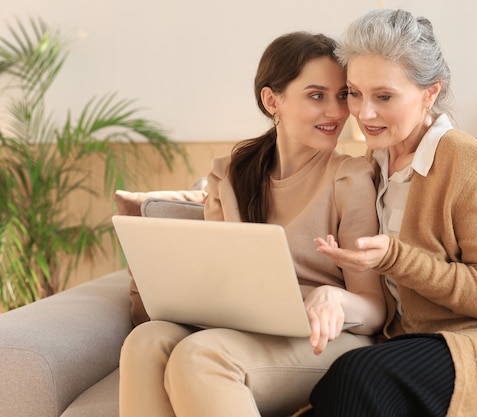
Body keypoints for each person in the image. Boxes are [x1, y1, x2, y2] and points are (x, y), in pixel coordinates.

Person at [302, 9, 477, 417]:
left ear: (430, 93)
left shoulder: (464, 159)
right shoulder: (372, 164)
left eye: (384, 97)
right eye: (354, 92)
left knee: (356, 375)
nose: (363, 113)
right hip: (413, 342)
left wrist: (395, 257)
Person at [118, 31, 386, 417]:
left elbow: (375, 309)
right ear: (272, 100)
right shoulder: (228, 174)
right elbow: (214, 277)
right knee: (146, 340)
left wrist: (335, 298)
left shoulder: (349, 177)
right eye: (316, 96)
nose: (336, 112)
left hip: (325, 340)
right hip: (245, 330)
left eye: (342, 95)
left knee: (201, 355)